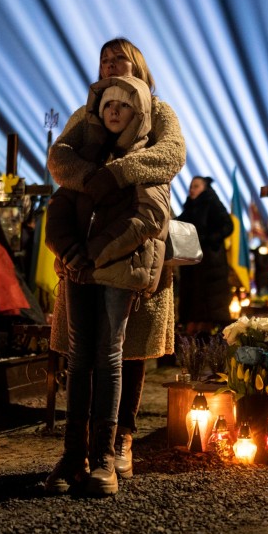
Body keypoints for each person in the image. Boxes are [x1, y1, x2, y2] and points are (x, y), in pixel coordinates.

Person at [47, 37, 186, 485]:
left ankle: (120, 439)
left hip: (132, 249)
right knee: (86, 351)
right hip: (86, 249)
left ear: (137, 65)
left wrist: (118, 174)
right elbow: (60, 158)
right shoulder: (88, 115)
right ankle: (82, 451)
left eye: (118, 59)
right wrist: (91, 179)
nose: (109, 65)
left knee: (128, 350)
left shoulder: (158, 112)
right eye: (103, 59)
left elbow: (170, 156)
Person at [176, 176, 233, 334]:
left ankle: (207, 348)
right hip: (195, 265)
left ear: (205, 188)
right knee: (194, 310)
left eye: (196, 186)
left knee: (208, 313)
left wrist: (208, 239)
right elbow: (181, 223)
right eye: (191, 186)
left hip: (210, 264)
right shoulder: (190, 207)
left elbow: (228, 225)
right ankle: (194, 350)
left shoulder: (211, 202)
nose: (191, 190)